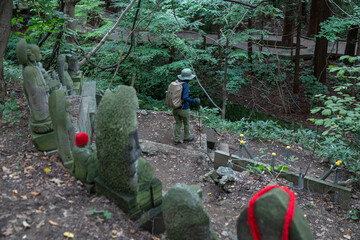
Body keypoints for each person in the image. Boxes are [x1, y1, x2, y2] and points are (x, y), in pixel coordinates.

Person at [173, 68, 200, 145]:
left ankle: (176, 139)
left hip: (175, 108)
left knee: (178, 123)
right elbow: (185, 98)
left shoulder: (176, 83)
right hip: (184, 109)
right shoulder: (185, 85)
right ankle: (186, 137)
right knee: (186, 123)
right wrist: (194, 101)